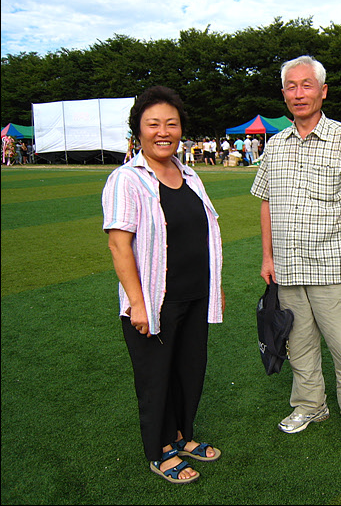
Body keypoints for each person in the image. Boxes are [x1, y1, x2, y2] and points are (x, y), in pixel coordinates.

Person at [250, 55, 341, 447]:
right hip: (287, 268)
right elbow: (266, 201)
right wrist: (268, 257)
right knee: (299, 345)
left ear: (323, 91)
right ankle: (310, 405)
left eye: (307, 85)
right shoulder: (275, 145)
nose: (299, 93)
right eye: (292, 86)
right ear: (284, 94)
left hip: (334, 265)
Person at [102, 86, 225, 485]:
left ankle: (181, 437)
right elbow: (119, 245)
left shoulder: (189, 175)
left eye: (171, 123)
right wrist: (137, 304)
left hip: (195, 295)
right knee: (156, 379)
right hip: (154, 300)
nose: (163, 131)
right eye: (153, 123)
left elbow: (205, 233)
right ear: (138, 131)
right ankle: (159, 451)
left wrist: (215, 286)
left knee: (189, 372)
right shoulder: (127, 179)